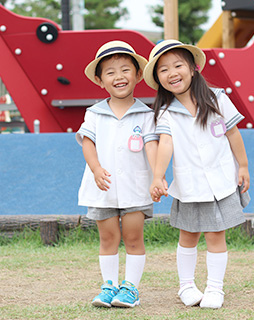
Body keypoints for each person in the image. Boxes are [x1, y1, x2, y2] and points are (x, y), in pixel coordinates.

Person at [143, 40, 250, 309]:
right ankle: (187, 286)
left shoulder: (217, 99)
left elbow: (233, 133)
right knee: (188, 234)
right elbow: (165, 144)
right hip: (189, 184)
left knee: (216, 235)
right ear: (158, 79)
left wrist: (243, 166)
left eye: (178, 65)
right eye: (163, 70)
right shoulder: (166, 113)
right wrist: (158, 176)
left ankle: (215, 288)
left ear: (193, 68)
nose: (172, 73)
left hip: (221, 181)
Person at [76, 41, 159, 308]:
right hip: (102, 187)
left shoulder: (146, 115)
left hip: (136, 187)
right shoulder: (94, 113)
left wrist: (158, 175)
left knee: (134, 237)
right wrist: (96, 169)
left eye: (125, 70)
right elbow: (87, 143)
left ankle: (131, 289)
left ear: (137, 75)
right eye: (110, 72)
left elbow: (151, 146)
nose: (119, 77)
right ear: (100, 80)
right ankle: (109, 286)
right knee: (108, 238)